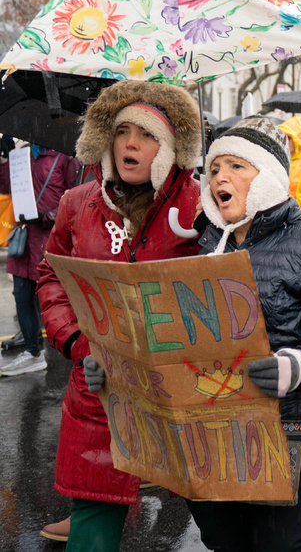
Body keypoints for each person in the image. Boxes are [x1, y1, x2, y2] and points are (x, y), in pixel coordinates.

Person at [35, 81, 203, 551]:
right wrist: (76, 343)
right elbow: (51, 278)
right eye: (122, 131)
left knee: (222, 523)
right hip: (97, 393)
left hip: (179, 392)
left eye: (147, 135)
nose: (130, 143)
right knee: (92, 525)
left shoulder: (199, 205)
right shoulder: (75, 203)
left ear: (170, 148)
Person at [183, 116, 301, 552]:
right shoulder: (203, 244)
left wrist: (296, 366)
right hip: (213, 426)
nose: (219, 177)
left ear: (268, 176)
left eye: (236, 166)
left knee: (279, 545)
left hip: (289, 428)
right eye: (213, 169)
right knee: (225, 541)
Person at [0, 144, 80, 375]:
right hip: (24, 240)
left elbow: (75, 195)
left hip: (50, 240)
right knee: (22, 296)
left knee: (53, 299)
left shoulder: (63, 154)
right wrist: (4, 162)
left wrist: (48, 216)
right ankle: (32, 352)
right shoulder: (21, 153)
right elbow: (6, 188)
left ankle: (72, 349)